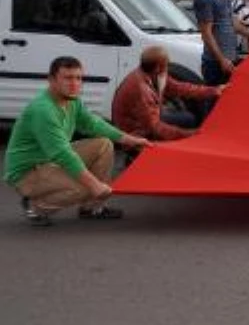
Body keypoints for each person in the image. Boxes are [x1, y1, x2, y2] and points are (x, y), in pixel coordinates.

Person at [5, 56, 152, 226]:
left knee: (103, 144)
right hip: (28, 171)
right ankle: (35, 206)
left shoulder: (71, 100)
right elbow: (62, 154)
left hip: (48, 161)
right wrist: (95, 185)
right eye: (67, 78)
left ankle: (91, 208)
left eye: (78, 78)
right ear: (51, 80)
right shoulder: (43, 110)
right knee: (83, 188)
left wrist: (128, 139)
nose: (74, 83)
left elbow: (92, 123)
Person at [112, 47, 223, 141]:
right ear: (158, 68)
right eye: (166, 64)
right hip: (135, 130)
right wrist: (188, 134)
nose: (168, 66)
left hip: (148, 118)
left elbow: (180, 88)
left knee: (188, 119)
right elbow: (154, 128)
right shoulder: (141, 90)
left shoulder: (154, 74)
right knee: (186, 125)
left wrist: (213, 90)